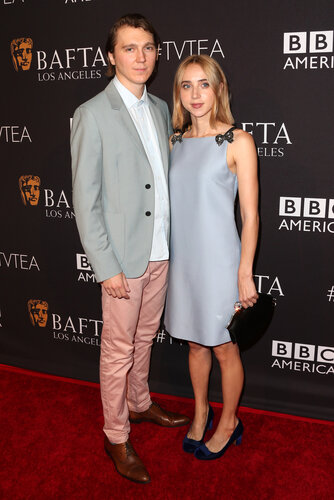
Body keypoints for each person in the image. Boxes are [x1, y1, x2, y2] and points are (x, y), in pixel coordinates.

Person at [71, 14, 189, 484]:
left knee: (144, 339)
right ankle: (116, 434)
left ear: (157, 55)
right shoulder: (92, 114)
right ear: (110, 57)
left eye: (148, 48)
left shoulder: (162, 108)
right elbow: (85, 199)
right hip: (121, 260)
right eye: (129, 48)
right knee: (118, 349)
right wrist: (106, 266)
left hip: (160, 252)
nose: (140, 57)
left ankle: (139, 405)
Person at [164, 54, 259, 460]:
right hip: (184, 262)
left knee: (224, 348)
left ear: (218, 88)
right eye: (187, 85)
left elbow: (251, 216)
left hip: (222, 262)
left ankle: (230, 421)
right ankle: (201, 412)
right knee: (195, 345)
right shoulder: (175, 141)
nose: (195, 94)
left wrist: (245, 272)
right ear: (178, 93)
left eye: (204, 84)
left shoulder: (238, 141)